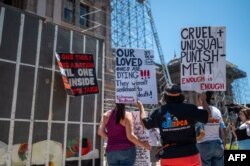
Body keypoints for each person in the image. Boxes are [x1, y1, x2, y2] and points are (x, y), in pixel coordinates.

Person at [137, 84, 211, 166]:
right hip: (190, 155)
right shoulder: (190, 109)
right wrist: (203, 100)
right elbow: (208, 116)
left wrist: (141, 107)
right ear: (181, 96)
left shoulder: (159, 112)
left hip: (169, 156)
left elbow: (145, 124)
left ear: (165, 96)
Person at [196, 91, 226, 166]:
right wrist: (224, 144)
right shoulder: (217, 111)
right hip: (217, 144)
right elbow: (223, 128)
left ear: (201, 97)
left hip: (204, 145)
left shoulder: (198, 110)